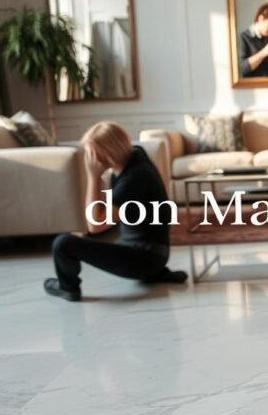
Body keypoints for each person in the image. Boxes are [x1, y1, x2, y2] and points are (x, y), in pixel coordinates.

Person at [44, 122, 187, 302]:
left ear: (108, 152)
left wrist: (93, 176)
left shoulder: (132, 180)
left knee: (63, 244)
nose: (90, 158)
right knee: (100, 240)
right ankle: (156, 272)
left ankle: (68, 288)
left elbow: (94, 225)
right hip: (154, 254)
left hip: (145, 259)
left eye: (92, 153)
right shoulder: (136, 156)